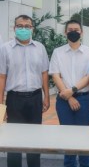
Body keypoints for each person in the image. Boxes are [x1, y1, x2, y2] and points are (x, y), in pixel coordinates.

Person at [0, 14, 50, 167]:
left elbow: (44, 74)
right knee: (14, 142)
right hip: (14, 99)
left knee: (34, 140)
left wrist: (46, 96)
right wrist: (1, 104)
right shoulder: (5, 49)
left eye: (27, 26)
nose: (23, 29)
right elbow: (2, 77)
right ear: (14, 28)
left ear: (32, 29)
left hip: (35, 98)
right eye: (20, 26)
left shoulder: (40, 48)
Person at [49, 19, 89, 167]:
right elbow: (55, 75)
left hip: (83, 99)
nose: (73, 32)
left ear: (82, 32)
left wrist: (72, 91)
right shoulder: (58, 52)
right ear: (65, 32)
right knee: (67, 138)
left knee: (83, 139)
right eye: (70, 30)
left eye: (76, 29)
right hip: (63, 101)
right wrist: (68, 97)